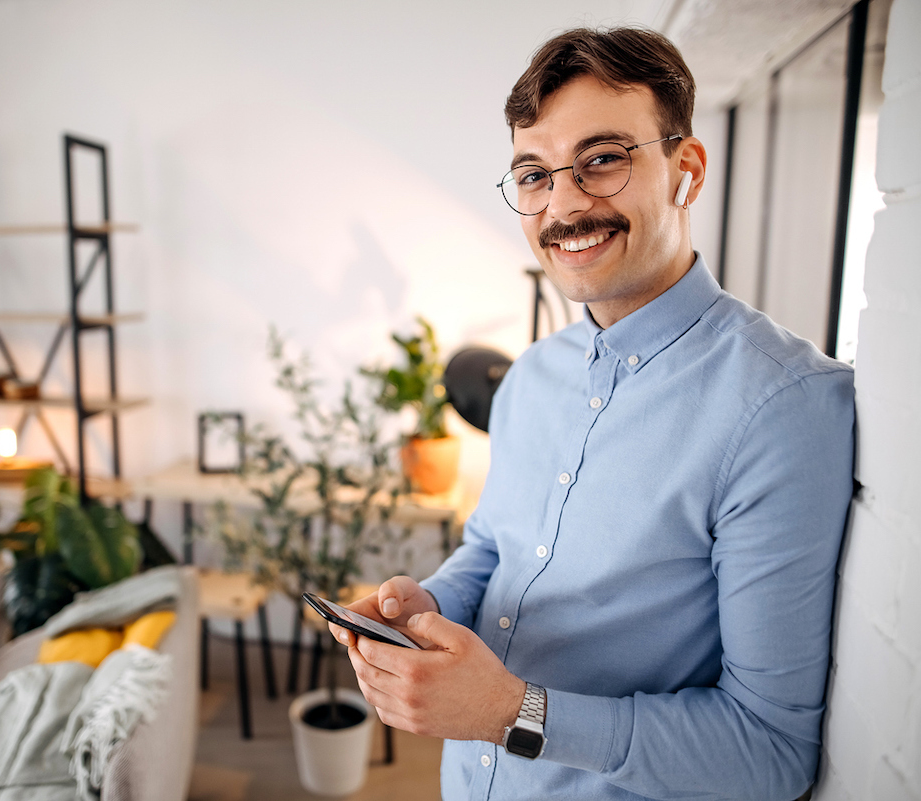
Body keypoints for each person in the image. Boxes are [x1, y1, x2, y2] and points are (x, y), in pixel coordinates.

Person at [330, 27, 855, 801]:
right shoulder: (531, 375)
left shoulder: (785, 405)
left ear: (687, 169)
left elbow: (771, 753)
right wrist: (430, 601)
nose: (564, 203)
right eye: (534, 174)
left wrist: (513, 712)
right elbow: (493, 545)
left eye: (602, 160)